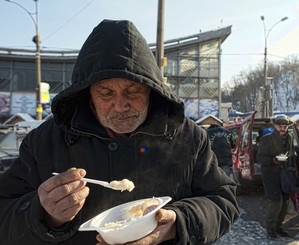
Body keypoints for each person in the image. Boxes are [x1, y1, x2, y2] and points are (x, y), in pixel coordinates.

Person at [0, 20, 239, 245]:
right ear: (87, 94)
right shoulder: (44, 141)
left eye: (133, 91)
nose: (120, 105)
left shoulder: (188, 136)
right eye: (106, 93)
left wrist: (179, 223)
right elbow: (5, 214)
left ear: (150, 89)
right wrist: (43, 214)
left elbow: (222, 201)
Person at [257, 114, 295, 238]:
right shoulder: (267, 139)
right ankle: (270, 228)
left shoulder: (289, 137)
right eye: (280, 126)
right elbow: (259, 157)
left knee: (285, 201)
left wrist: (293, 171)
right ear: (274, 126)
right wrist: (273, 160)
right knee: (275, 202)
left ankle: (279, 227)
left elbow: (290, 155)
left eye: (285, 126)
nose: (283, 128)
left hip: (284, 173)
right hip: (270, 175)